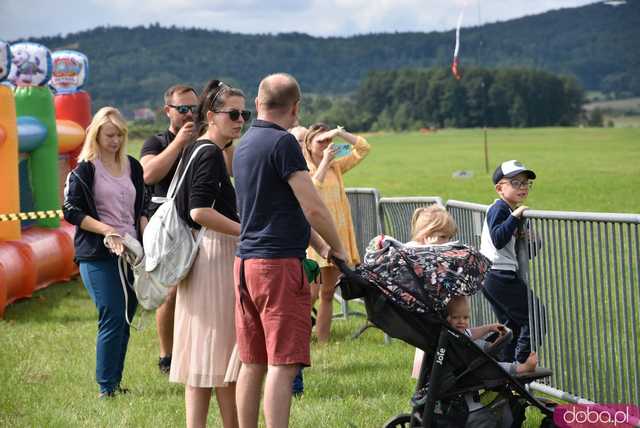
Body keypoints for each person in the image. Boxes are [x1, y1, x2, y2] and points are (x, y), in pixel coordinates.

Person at [232, 73, 346, 428]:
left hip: (246, 262)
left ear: (256, 104)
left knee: (253, 361)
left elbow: (282, 209)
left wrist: (321, 246)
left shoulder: (246, 142)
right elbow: (311, 205)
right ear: (296, 108)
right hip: (278, 265)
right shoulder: (283, 144)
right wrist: (340, 249)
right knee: (283, 364)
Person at [169, 80, 248, 428]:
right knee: (225, 361)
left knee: (201, 362)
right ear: (211, 116)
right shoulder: (211, 152)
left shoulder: (195, 148)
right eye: (233, 113)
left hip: (201, 257)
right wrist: (245, 230)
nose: (241, 120)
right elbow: (200, 210)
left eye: (244, 113)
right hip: (215, 257)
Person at [63, 107, 147, 398]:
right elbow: (71, 210)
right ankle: (106, 388)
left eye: (120, 135)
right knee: (112, 312)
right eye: (110, 135)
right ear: (96, 135)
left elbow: (142, 206)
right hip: (97, 253)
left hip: (132, 252)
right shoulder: (85, 169)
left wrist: (146, 236)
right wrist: (107, 231)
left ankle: (114, 382)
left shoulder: (133, 166)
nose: (115, 141)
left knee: (126, 315)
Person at [140, 84, 199, 374]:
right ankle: (167, 355)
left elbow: (228, 170)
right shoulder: (156, 141)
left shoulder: (204, 140)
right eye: (183, 109)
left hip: (200, 223)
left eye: (194, 108)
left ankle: (194, 347)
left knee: (200, 290)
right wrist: (179, 144)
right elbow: (148, 174)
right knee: (170, 290)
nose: (190, 114)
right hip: (167, 226)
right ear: (168, 111)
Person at [302, 123, 371, 343]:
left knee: (328, 293)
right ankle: (299, 339)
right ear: (309, 144)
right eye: (320, 141)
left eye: (328, 141)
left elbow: (363, 149)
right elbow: (312, 190)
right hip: (314, 239)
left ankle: (323, 341)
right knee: (309, 294)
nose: (326, 145)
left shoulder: (337, 166)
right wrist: (324, 162)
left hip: (336, 235)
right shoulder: (303, 168)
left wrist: (340, 133)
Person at [480, 160, 541, 364]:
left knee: (511, 329)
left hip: (497, 275)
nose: (522, 187)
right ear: (499, 188)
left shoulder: (512, 212)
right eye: (515, 182)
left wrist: (534, 241)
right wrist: (515, 217)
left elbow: (524, 254)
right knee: (535, 318)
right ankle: (521, 364)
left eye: (526, 183)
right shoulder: (500, 209)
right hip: (498, 274)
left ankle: (502, 372)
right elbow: (498, 239)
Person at [407, 205, 459, 378]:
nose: (448, 242)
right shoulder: (418, 254)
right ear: (425, 235)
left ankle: (428, 387)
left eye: (450, 237)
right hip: (428, 317)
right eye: (444, 237)